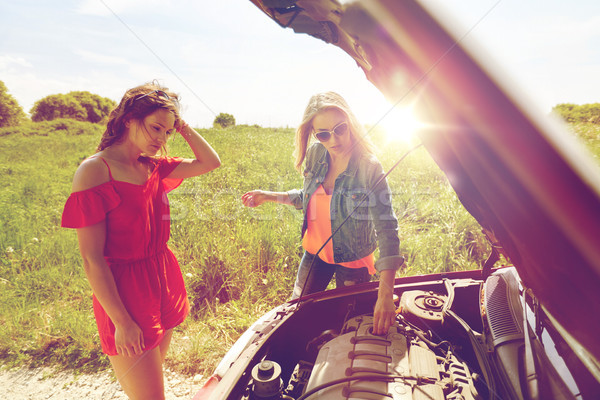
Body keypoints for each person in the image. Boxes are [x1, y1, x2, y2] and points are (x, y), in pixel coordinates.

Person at [61, 82, 220, 400]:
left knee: (151, 378)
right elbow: (92, 259)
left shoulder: (153, 166)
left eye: (168, 132)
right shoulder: (95, 170)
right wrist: (121, 321)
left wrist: (179, 123)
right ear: (128, 119)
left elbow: (211, 161)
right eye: (155, 128)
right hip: (126, 293)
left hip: (162, 277)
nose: (161, 139)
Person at [241, 91, 403, 335]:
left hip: (352, 261)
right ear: (314, 134)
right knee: (297, 312)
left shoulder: (369, 167)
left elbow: (387, 229)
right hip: (314, 253)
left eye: (340, 129)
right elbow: (310, 198)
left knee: (348, 326)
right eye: (323, 134)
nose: (333, 140)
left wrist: (386, 294)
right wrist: (268, 195)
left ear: (351, 123)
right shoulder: (316, 155)